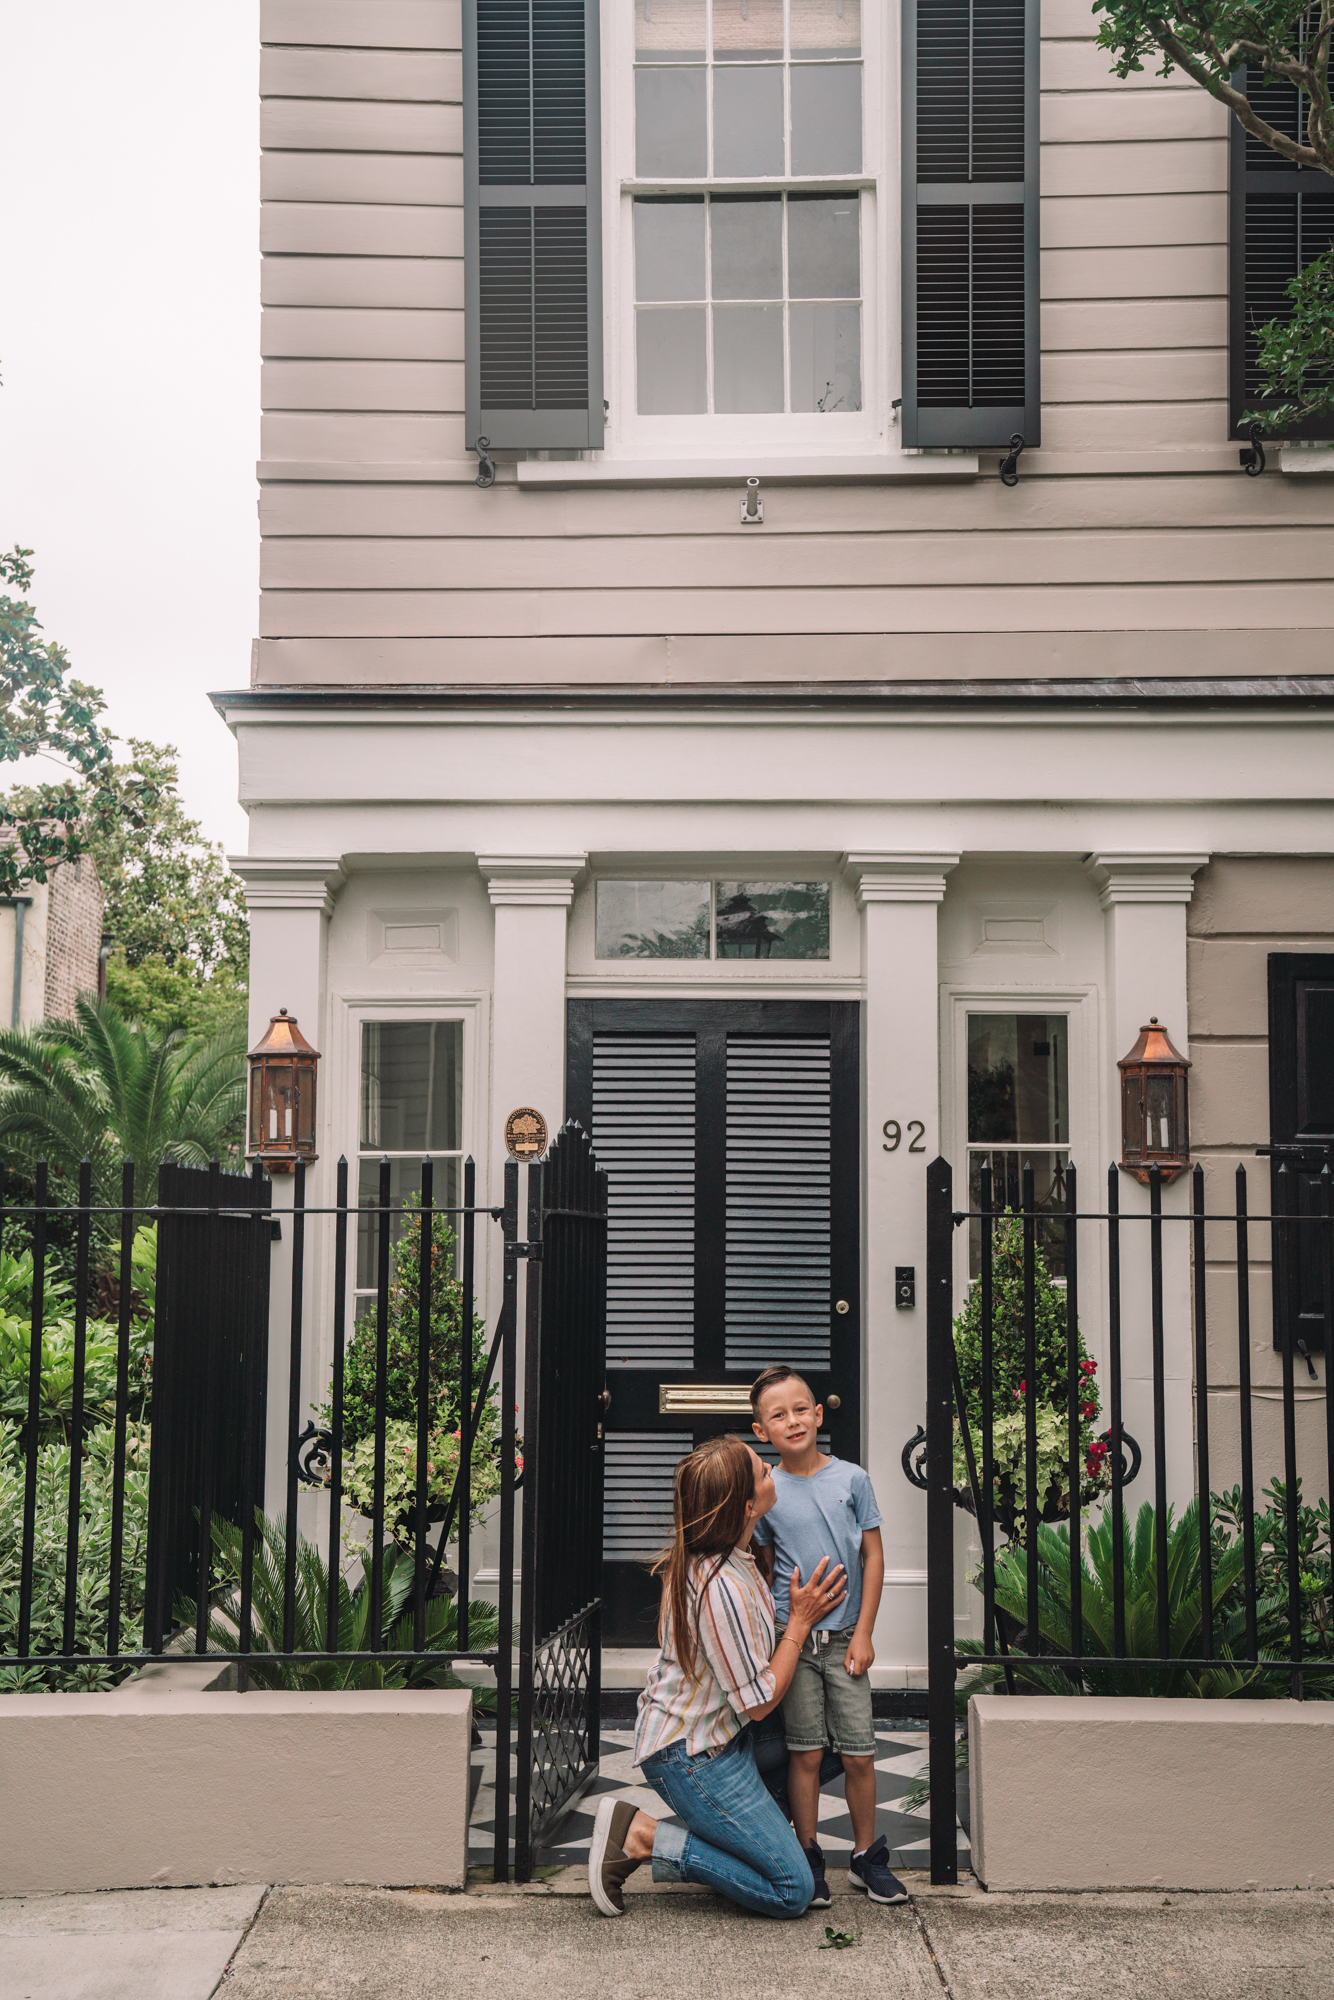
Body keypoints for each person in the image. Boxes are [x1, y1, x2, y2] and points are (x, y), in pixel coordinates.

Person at [588, 1432, 847, 1919]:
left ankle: (738, 1843)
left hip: (727, 1740)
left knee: (832, 1735)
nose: (772, 1467)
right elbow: (758, 1702)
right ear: (748, 1506)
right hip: (691, 1757)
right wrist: (800, 1622)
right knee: (790, 1889)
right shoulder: (719, 1587)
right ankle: (641, 1836)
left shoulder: (737, 1552)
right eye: (762, 1470)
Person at [749, 1365, 907, 1907]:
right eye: (778, 1415)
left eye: (800, 1409)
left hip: (844, 1643)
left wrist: (864, 1632)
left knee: (860, 1753)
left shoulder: (853, 1479)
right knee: (806, 1754)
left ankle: (866, 1858)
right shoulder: (767, 1489)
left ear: (818, 1415)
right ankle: (808, 1855)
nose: (792, 1420)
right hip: (793, 1644)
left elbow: (874, 1555)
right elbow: (767, 1563)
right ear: (761, 1430)